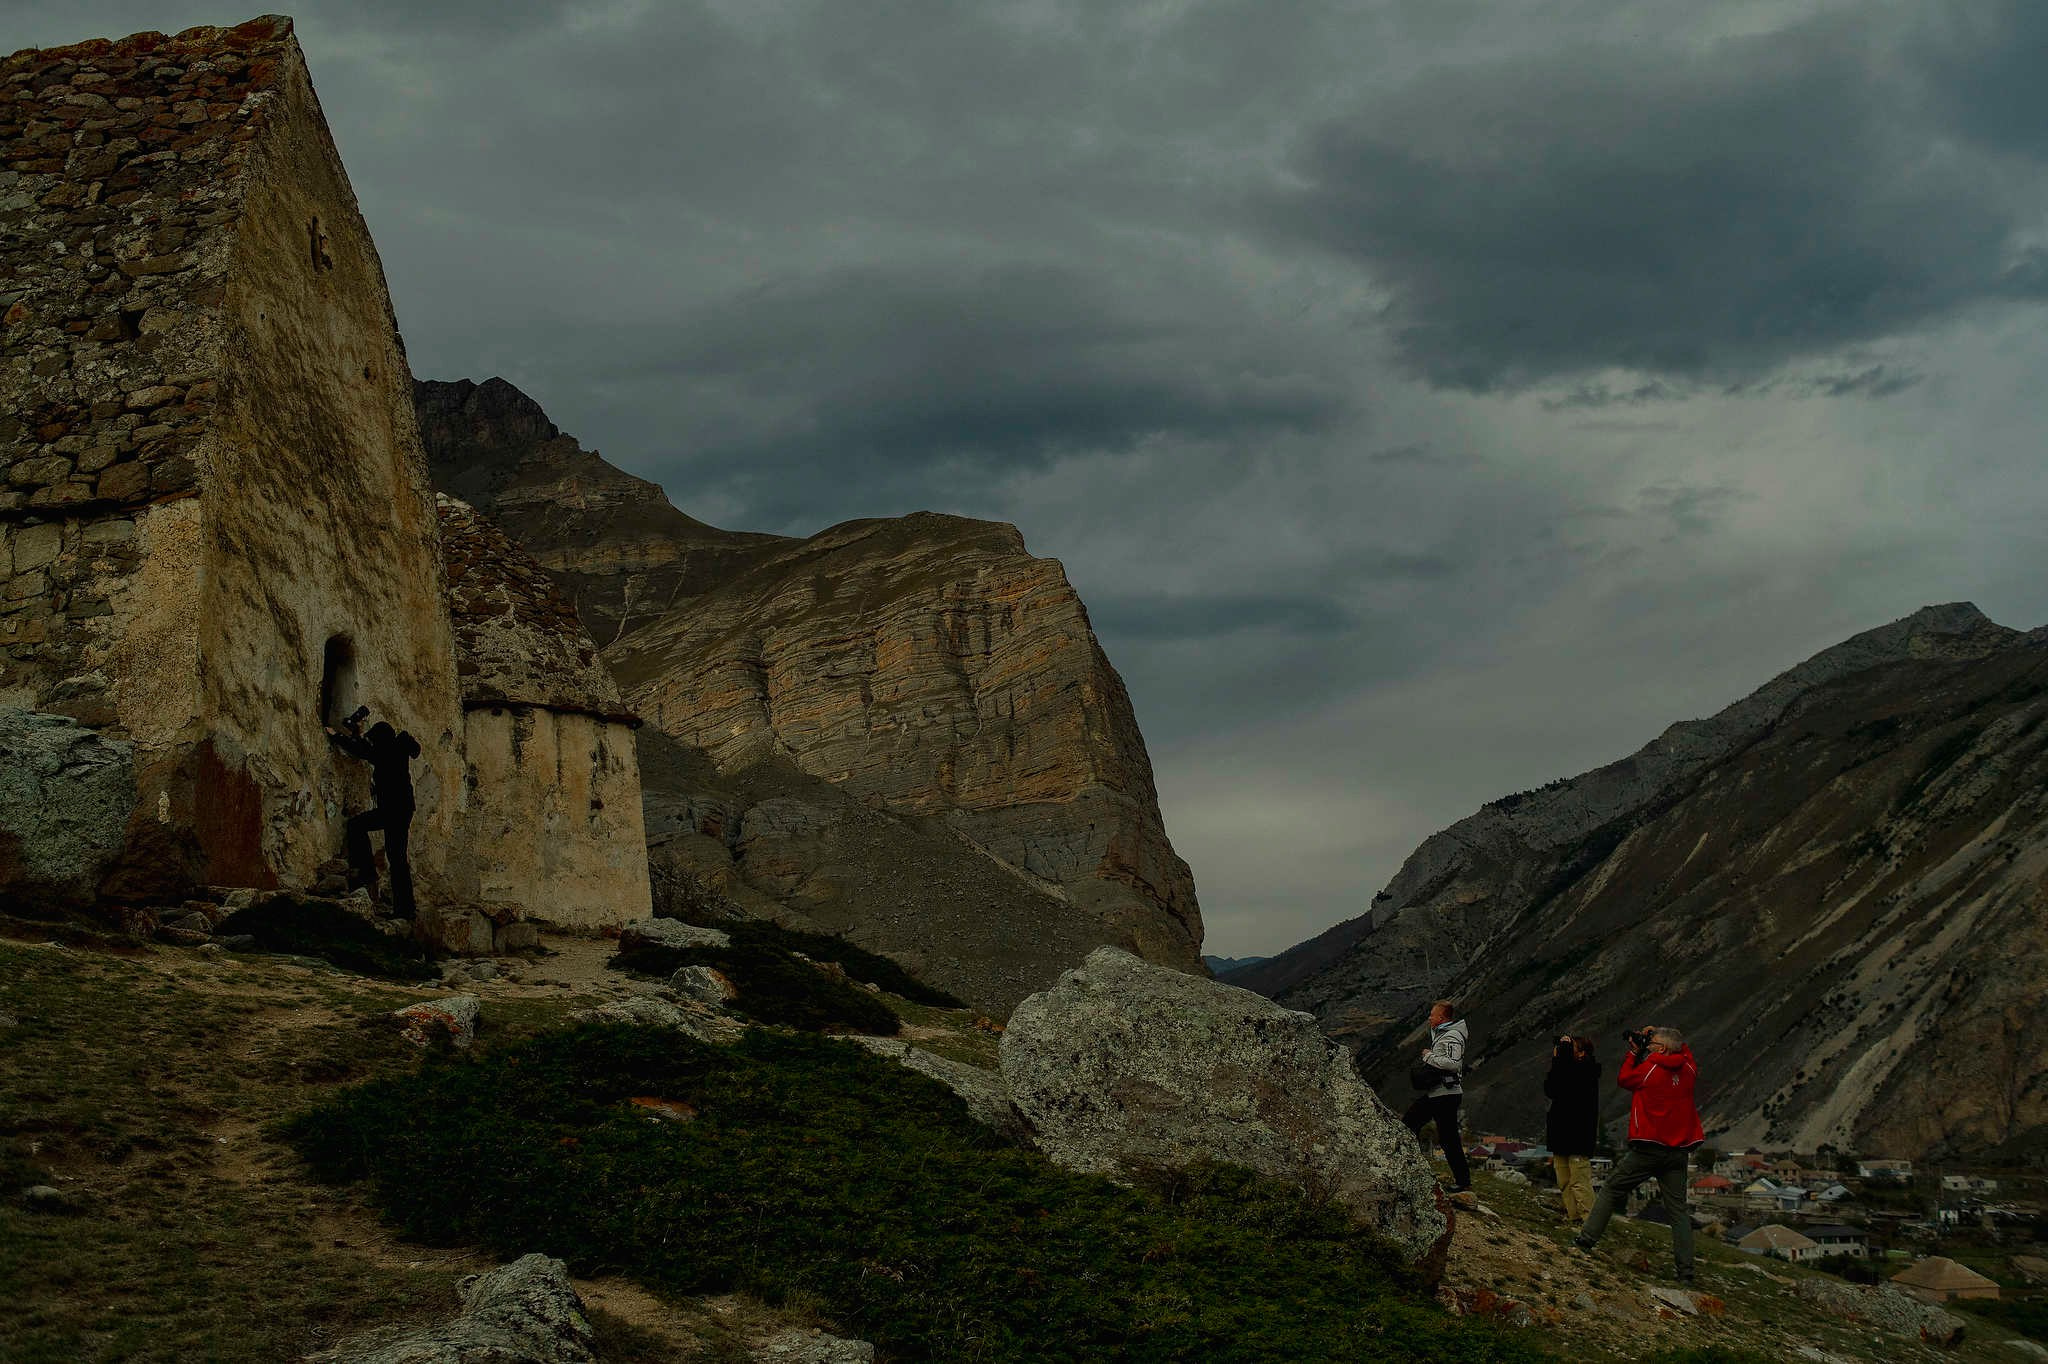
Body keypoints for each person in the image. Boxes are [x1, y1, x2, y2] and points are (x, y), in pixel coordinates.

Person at [1571, 1025, 1703, 1283]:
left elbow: (1624, 1079)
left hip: (1648, 1148)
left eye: (1652, 1043)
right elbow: (1684, 1050)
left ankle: (1586, 1240)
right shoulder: (1688, 1070)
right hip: (1678, 1152)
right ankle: (1686, 1272)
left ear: (1661, 1049)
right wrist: (1667, 1037)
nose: (1648, 1046)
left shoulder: (1649, 1069)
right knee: (1678, 1210)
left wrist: (1633, 1053)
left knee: (1611, 1189)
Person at [327, 710, 421, 918]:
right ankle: (405, 909)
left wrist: (336, 735)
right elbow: (413, 749)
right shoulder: (397, 748)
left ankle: (368, 873)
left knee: (357, 826)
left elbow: (360, 750)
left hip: (392, 811)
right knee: (397, 859)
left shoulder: (383, 753)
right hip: (403, 810)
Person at [1403, 999, 1472, 1194]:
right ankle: (1461, 1180)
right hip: (1440, 1093)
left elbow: (1452, 1063)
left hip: (1445, 1094)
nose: (1429, 1017)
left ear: (1441, 1017)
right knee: (1414, 1124)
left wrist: (1428, 1056)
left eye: (1432, 1014)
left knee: (1419, 1126)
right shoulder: (1445, 1033)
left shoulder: (1452, 1036)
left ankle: (1461, 1181)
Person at [1545, 1035, 1601, 1222]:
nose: (1567, 1052)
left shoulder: (1588, 1070)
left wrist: (1560, 1060)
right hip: (1561, 1133)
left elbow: (1565, 1084)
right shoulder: (1563, 1068)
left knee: (1579, 1180)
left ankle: (1590, 1222)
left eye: (1572, 1048)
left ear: (1582, 1053)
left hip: (1578, 1135)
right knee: (1564, 1180)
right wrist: (1558, 1060)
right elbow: (1551, 1089)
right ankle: (1574, 1216)